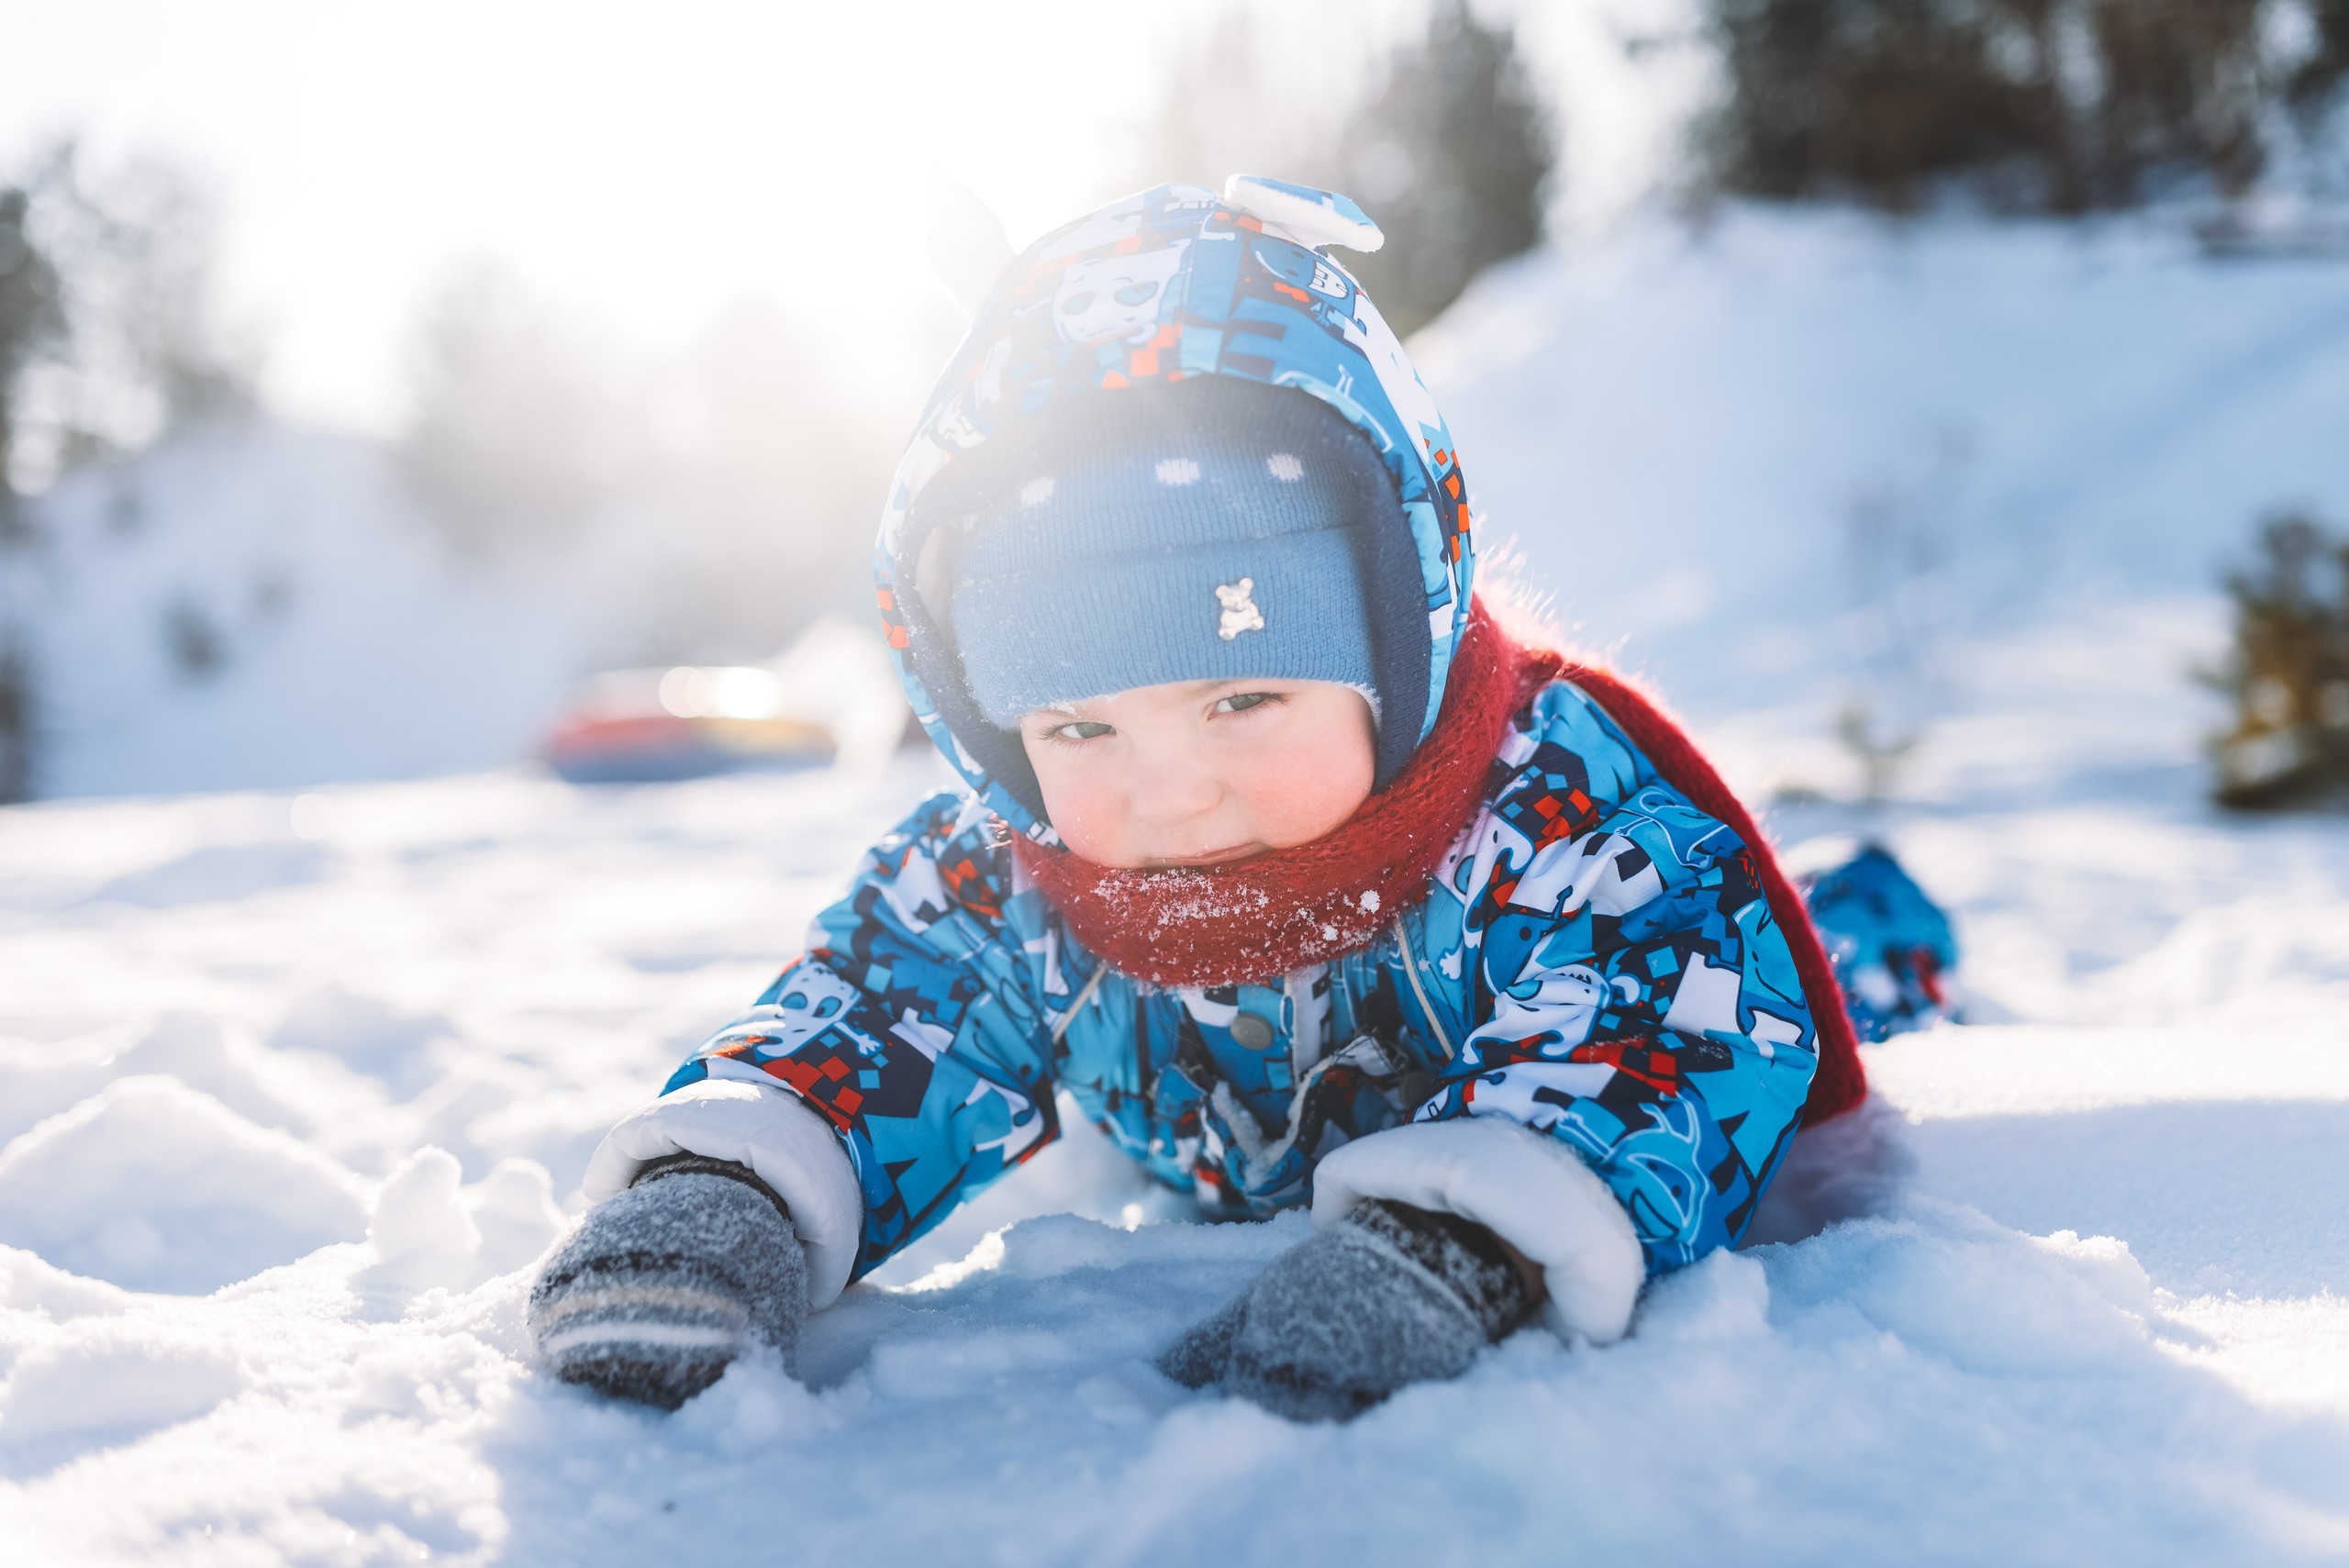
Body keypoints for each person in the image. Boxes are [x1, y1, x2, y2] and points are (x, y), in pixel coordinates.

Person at [525, 177, 1867, 1420]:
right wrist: (732, 1188)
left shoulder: (1550, 819)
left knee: (1851, 956)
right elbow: (875, 1014)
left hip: (1556, 1106)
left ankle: (1877, 918)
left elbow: (1661, 1017)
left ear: (1396, 646)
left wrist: (1465, 1242)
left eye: (1241, 700)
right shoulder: (1015, 874)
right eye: (1079, 723)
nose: (1168, 786)